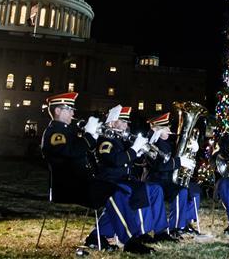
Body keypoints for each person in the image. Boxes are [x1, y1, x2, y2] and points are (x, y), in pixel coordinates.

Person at [39, 92, 116, 250]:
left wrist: (94, 134)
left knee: (118, 188)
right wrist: (88, 135)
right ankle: (101, 236)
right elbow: (71, 152)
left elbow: (85, 151)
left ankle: (103, 234)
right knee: (118, 191)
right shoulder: (55, 133)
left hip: (80, 183)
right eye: (69, 109)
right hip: (68, 188)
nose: (73, 113)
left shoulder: (69, 131)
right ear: (58, 111)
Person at [93, 104, 170, 253]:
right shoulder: (105, 140)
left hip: (123, 180)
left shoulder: (119, 139)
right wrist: (134, 150)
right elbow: (115, 160)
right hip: (110, 181)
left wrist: (139, 152)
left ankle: (160, 231)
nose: (126, 125)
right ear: (112, 122)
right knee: (139, 189)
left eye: (126, 121)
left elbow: (127, 159)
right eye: (122, 121)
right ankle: (139, 233)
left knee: (155, 189)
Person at [142, 112, 202, 235]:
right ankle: (176, 227)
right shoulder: (149, 143)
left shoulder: (167, 141)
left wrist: (194, 148)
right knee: (181, 191)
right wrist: (180, 161)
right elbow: (159, 166)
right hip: (155, 180)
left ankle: (184, 223)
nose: (169, 130)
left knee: (195, 191)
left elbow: (178, 153)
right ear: (155, 129)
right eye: (165, 128)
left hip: (168, 180)